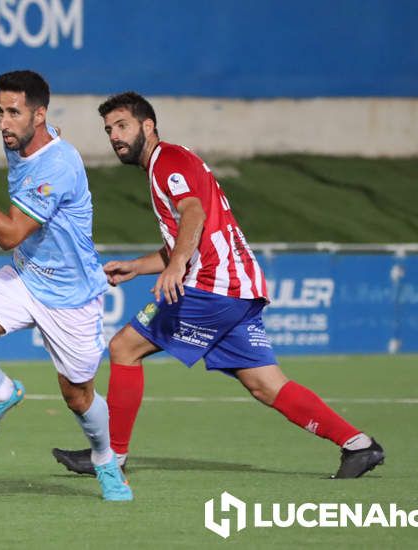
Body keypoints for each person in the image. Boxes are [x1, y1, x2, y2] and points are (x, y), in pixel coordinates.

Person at [51, 92, 385, 479]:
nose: (115, 136)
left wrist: (176, 266)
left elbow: (193, 213)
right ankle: (358, 445)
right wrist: (139, 266)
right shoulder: (170, 163)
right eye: (109, 129)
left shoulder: (167, 161)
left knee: (124, 347)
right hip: (237, 288)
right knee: (264, 383)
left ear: (148, 126)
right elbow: (190, 234)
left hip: (213, 285)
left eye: (122, 125)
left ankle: (111, 457)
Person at [0, 70, 132, 501]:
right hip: (27, 277)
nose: (3, 122)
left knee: (78, 398)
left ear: (39, 114)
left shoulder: (58, 165)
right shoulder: (24, 143)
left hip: (70, 296)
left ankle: (107, 461)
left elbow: (9, 234)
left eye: (13, 112)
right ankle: (2, 392)